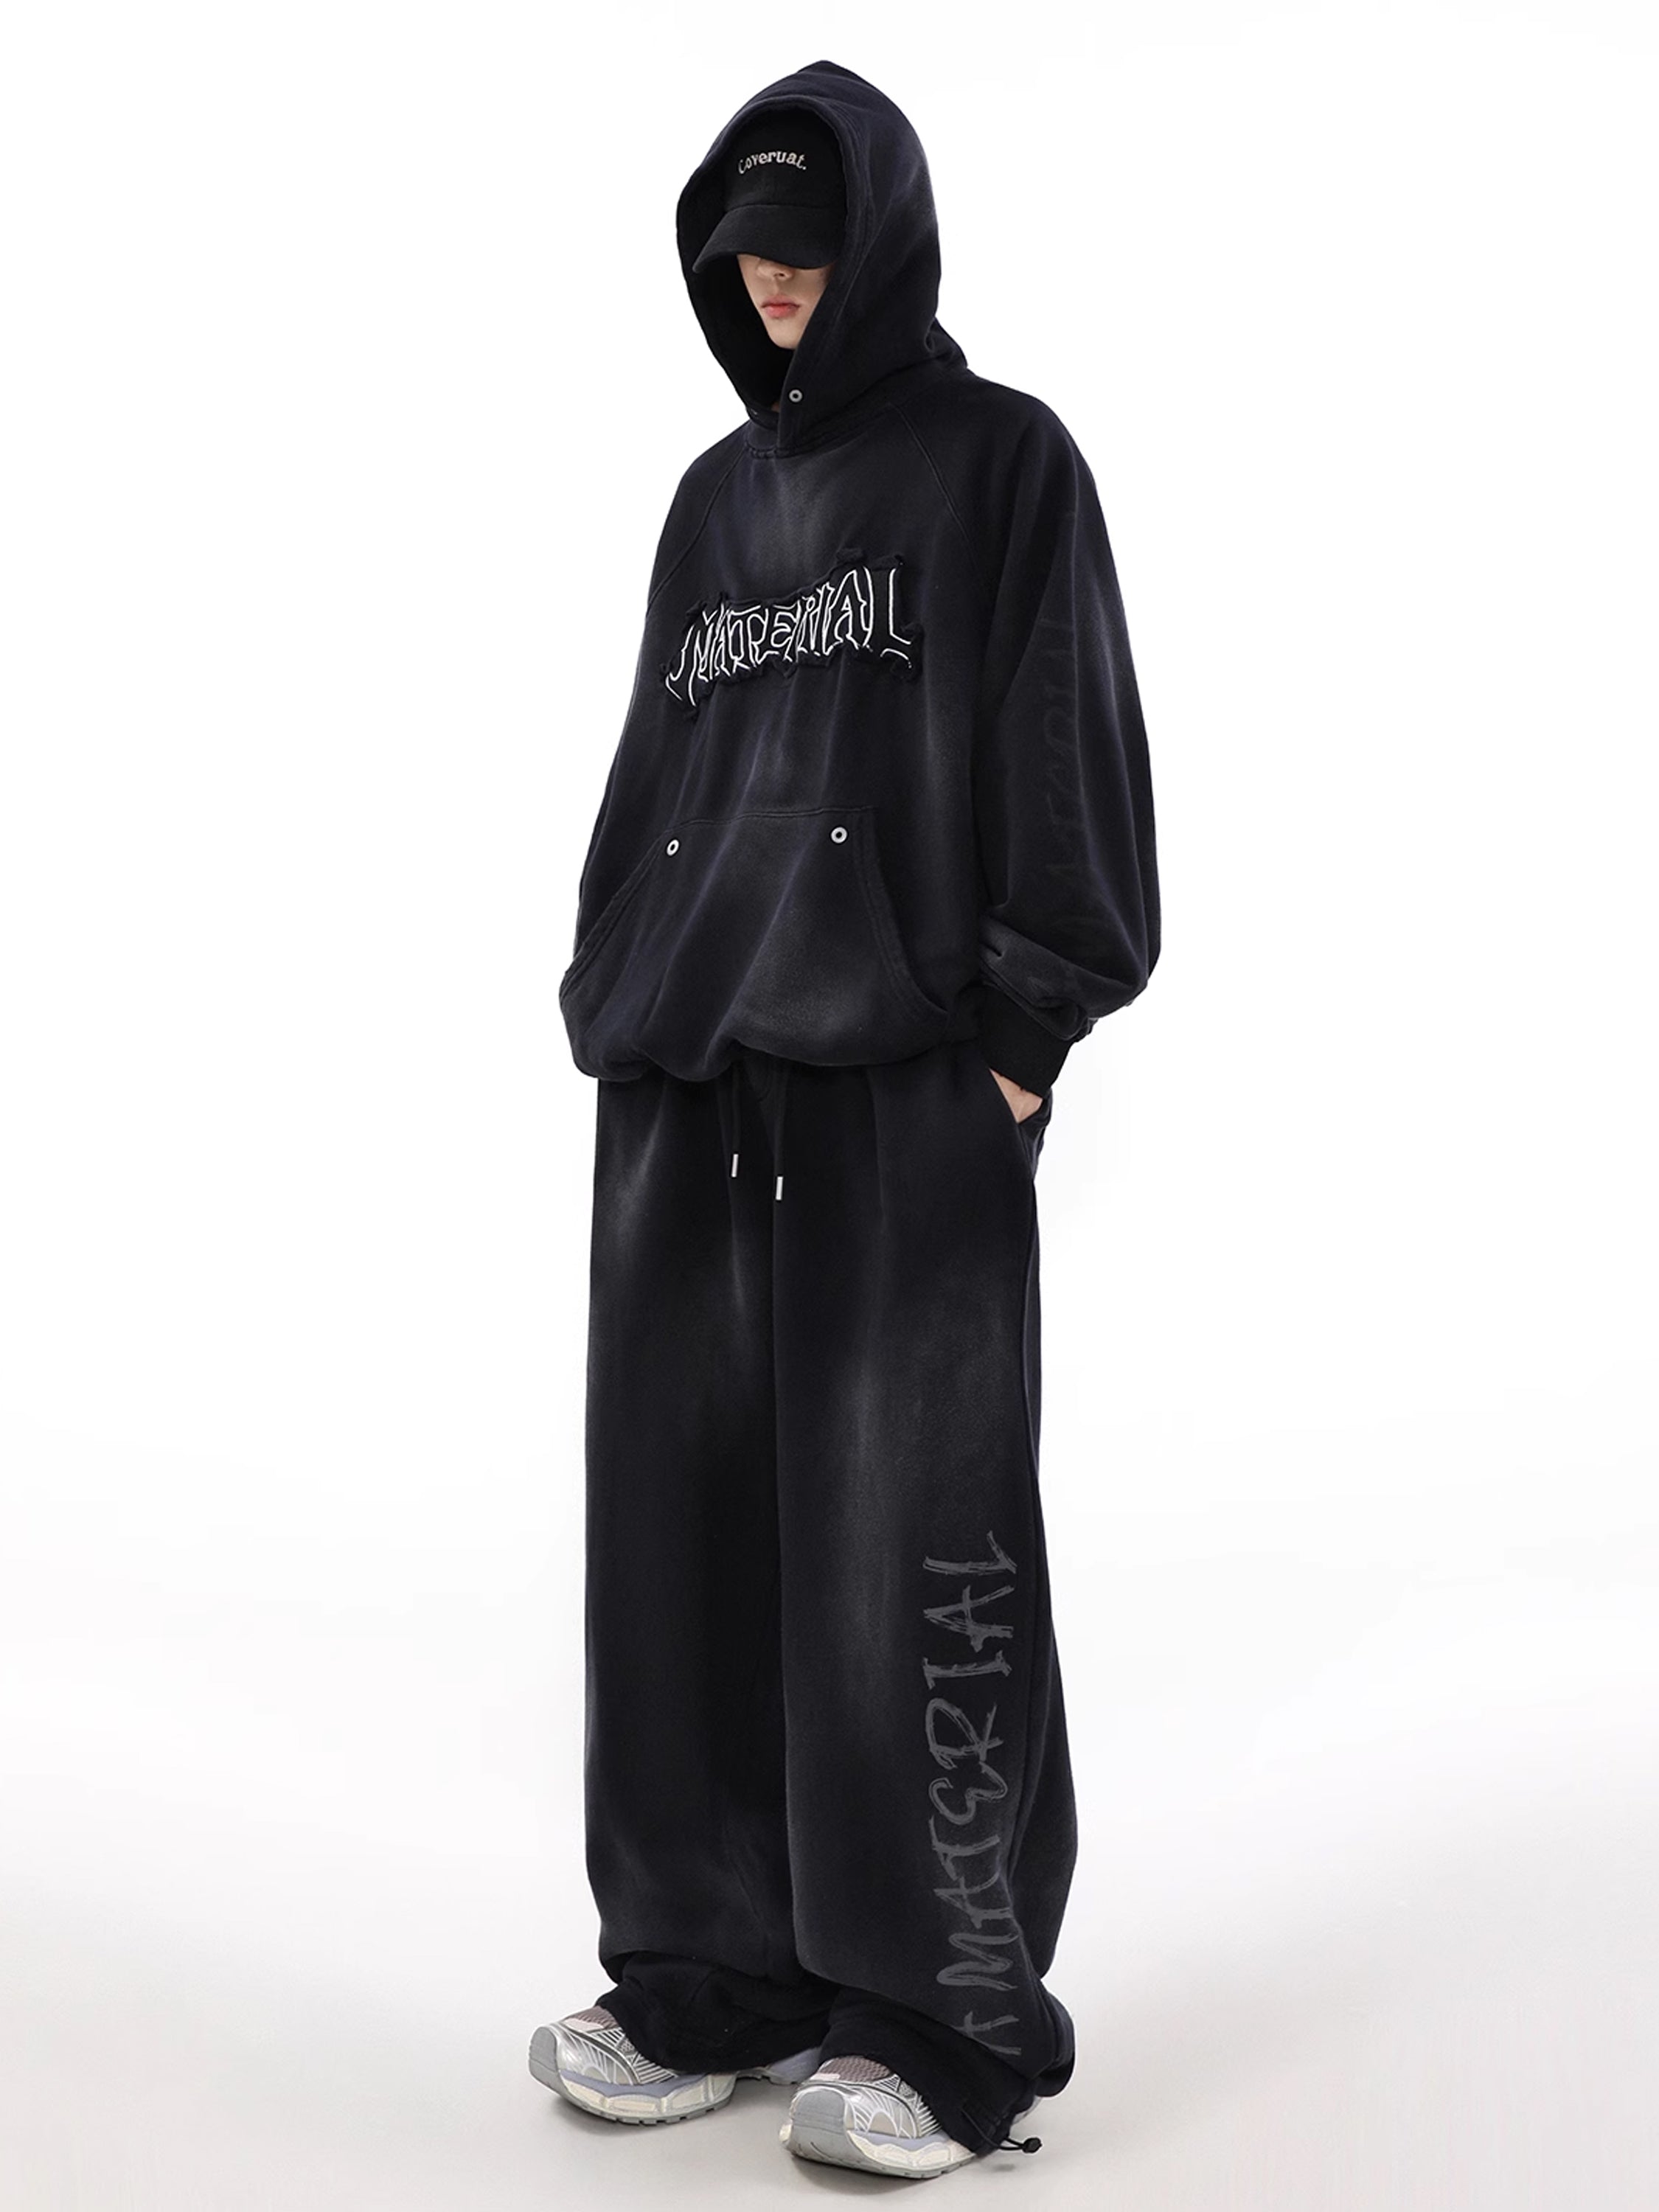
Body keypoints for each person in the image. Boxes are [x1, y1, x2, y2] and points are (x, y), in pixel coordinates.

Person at [528, 57, 1159, 2181]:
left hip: (903, 1086)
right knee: (676, 1556)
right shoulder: (712, 506)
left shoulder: (1003, 464)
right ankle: (710, 1979)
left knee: (915, 1548)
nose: (776, 281)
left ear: (882, 239)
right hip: (689, 1084)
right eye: (746, 250)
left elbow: (1064, 747)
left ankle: (943, 2020)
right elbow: (658, 779)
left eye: (808, 244)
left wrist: (1021, 1033)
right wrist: (616, 987)